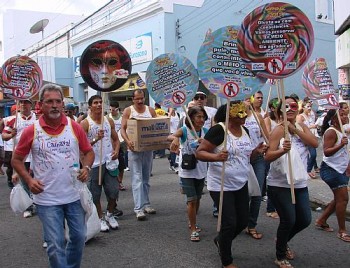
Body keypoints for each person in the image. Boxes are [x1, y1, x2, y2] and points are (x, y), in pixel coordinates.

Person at [11, 83, 94, 268]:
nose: (55, 105)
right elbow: (16, 159)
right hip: (47, 199)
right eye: (50, 102)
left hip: (73, 196)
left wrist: (86, 168)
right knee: (55, 245)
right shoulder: (31, 131)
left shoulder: (74, 127)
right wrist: (29, 179)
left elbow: (88, 152)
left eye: (58, 101)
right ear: (40, 105)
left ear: (63, 104)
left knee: (79, 237)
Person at [196, 101, 267, 268]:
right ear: (230, 114)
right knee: (229, 222)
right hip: (221, 184)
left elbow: (246, 158)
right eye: (240, 113)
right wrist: (216, 157)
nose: (244, 116)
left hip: (241, 182)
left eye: (245, 113)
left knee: (242, 221)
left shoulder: (246, 130)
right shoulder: (219, 130)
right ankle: (226, 261)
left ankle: (221, 240)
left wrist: (256, 152)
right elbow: (200, 152)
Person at [265, 96, 318, 268]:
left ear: (298, 108)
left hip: (299, 183)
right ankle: (280, 256)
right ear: (279, 110)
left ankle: (283, 239)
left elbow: (314, 143)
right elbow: (268, 156)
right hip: (280, 184)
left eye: (293, 105)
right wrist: (282, 150)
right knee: (288, 219)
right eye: (285, 106)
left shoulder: (301, 126)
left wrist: (294, 130)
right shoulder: (278, 130)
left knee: (304, 220)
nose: (290, 108)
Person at [80, 95, 120, 232]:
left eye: (100, 102)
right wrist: (96, 138)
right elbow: (81, 146)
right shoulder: (86, 123)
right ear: (90, 106)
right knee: (95, 194)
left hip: (109, 162)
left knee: (114, 190)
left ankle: (110, 214)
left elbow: (116, 140)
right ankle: (100, 217)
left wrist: (116, 151)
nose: (98, 105)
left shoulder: (108, 121)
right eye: (95, 103)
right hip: (94, 164)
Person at [168, 106, 208, 242]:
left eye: (203, 117)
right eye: (198, 117)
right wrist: (175, 139)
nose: (201, 120)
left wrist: (206, 144)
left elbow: (213, 147)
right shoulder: (185, 130)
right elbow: (171, 135)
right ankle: (193, 228)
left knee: (197, 199)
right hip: (186, 171)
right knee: (191, 200)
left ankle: (192, 220)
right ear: (191, 118)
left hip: (201, 170)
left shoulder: (206, 132)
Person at [121, 89, 157, 220]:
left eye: (142, 98)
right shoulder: (128, 111)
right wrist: (128, 141)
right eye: (137, 99)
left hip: (148, 150)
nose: (140, 101)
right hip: (134, 150)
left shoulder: (150, 110)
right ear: (133, 99)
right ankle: (139, 209)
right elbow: (123, 129)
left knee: (146, 178)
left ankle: (146, 204)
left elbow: (157, 126)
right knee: (137, 179)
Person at [315, 109, 350, 242]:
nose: (345, 116)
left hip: (342, 169)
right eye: (341, 115)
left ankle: (321, 220)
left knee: (338, 198)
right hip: (331, 170)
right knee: (343, 199)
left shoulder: (343, 130)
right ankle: (342, 231)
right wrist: (341, 144)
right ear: (334, 119)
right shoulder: (331, 132)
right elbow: (327, 152)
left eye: (346, 114)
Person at [3, 99, 36, 218]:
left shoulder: (37, 118)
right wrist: (11, 134)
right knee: (25, 181)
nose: (23, 105)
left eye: (26, 102)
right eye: (21, 102)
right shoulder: (13, 119)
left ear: (31, 104)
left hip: (37, 155)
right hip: (22, 157)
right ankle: (29, 207)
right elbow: (4, 136)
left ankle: (39, 202)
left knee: (39, 180)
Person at [244, 96, 269, 239]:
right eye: (244, 98)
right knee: (244, 193)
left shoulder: (257, 116)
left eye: (249, 98)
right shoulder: (234, 117)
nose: (247, 101)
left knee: (257, 192)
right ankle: (239, 219)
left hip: (258, 158)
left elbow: (266, 136)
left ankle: (251, 225)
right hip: (243, 159)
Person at [264, 98, 281, 219]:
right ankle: (270, 208)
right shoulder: (268, 120)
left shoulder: (282, 120)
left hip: (282, 153)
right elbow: (267, 135)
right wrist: (279, 131)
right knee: (271, 180)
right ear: (272, 108)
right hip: (272, 152)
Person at [297, 100, 318, 178]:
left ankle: (308, 169)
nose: (309, 108)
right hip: (305, 138)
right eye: (307, 106)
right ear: (303, 107)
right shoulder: (300, 116)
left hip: (312, 136)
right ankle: (308, 170)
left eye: (310, 106)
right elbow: (299, 128)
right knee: (312, 154)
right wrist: (310, 127)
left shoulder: (310, 115)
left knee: (313, 155)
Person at [109, 102, 127, 192]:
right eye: (110, 110)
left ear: (117, 109)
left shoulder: (122, 118)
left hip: (120, 143)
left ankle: (120, 181)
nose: (111, 111)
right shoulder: (107, 118)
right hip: (110, 144)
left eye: (113, 110)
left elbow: (125, 129)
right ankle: (113, 182)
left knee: (121, 164)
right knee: (112, 164)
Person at [1, 105, 16, 188]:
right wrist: (6, 134)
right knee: (10, 166)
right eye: (15, 110)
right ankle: (10, 179)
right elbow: (1, 124)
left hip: (17, 146)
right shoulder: (8, 118)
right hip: (9, 146)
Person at [168, 107, 180, 172]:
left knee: (176, 149)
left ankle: (172, 161)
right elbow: (167, 122)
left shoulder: (177, 114)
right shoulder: (167, 114)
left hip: (178, 133)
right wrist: (170, 113)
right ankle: (174, 165)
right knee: (173, 149)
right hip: (171, 134)